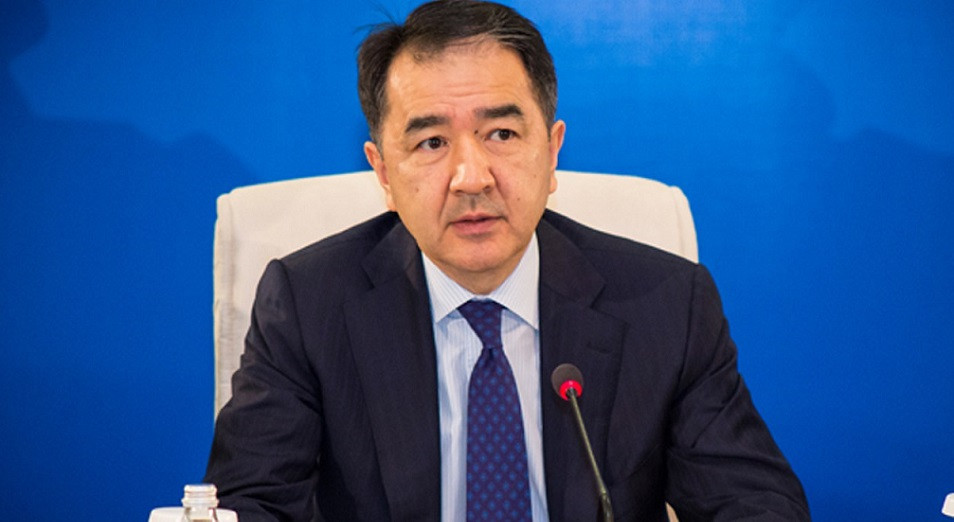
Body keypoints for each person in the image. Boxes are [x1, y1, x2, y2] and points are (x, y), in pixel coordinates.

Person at [204, 1, 811, 520]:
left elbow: (755, 504)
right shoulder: (308, 306)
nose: (471, 177)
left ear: (552, 151)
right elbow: (249, 504)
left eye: (501, 134)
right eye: (431, 142)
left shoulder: (668, 305)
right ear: (383, 173)